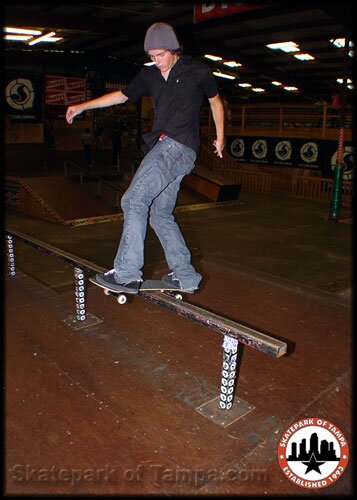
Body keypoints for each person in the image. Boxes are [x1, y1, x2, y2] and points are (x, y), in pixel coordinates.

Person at [66, 22, 224, 294]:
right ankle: (186, 276)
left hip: (176, 148)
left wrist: (220, 137)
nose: (157, 62)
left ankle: (127, 273)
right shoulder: (149, 75)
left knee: (133, 199)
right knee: (160, 213)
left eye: (161, 55)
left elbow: (215, 102)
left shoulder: (197, 71)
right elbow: (121, 96)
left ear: (174, 50)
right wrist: (83, 105)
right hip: (170, 152)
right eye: (151, 57)